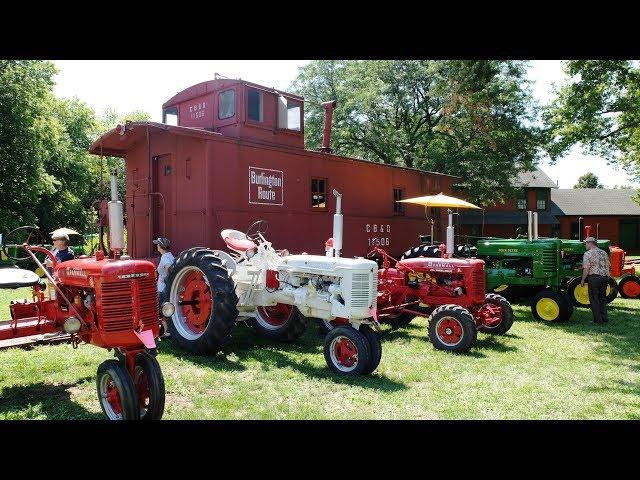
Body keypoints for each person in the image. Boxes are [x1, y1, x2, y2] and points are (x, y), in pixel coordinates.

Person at [580, 236, 611, 324]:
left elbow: (586, 269)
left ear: (590, 243)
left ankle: (598, 320)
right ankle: (604, 318)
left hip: (594, 278)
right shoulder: (604, 252)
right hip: (605, 278)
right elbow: (608, 265)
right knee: (602, 298)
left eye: (586, 243)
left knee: (594, 298)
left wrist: (583, 279)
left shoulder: (588, 254)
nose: (585, 245)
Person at [153, 237, 174, 307]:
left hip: (162, 289)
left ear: (160, 246)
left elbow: (169, 269)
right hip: (166, 288)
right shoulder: (170, 255)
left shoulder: (165, 257)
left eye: (157, 244)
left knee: (160, 310)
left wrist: (165, 279)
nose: (157, 246)